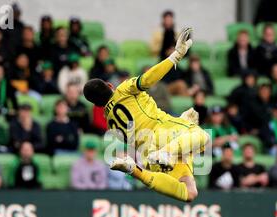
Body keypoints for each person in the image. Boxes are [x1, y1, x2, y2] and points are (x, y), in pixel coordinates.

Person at [83, 27, 210, 202]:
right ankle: (166, 152)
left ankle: (134, 170)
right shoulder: (124, 90)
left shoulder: (110, 123)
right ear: (110, 85)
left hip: (147, 154)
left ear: (97, 105)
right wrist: (175, 56)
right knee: (202, 136)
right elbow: (148, 78)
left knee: (190, 193)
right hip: (162, 132)